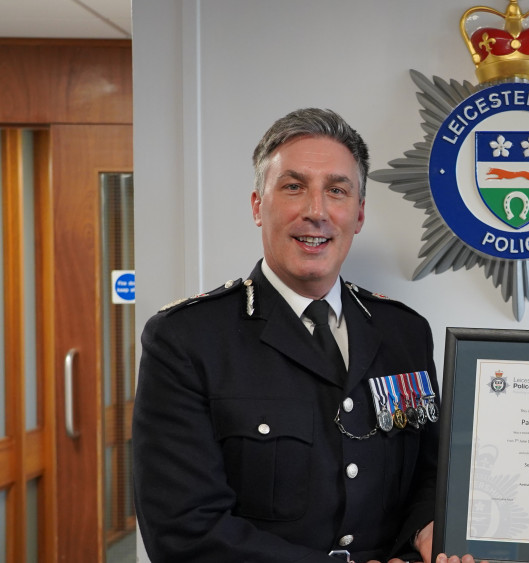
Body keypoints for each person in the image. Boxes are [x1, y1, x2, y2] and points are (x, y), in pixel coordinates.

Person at [133, 108, 440, 563]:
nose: (316, 212)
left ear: (358, 214)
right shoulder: (186, 341)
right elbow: (184, 532)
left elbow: (431, 478)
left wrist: (428, 530)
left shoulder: (404, 332)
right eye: (293, 187)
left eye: (336, 191)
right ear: (259, 206)